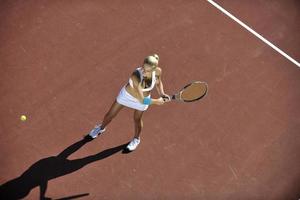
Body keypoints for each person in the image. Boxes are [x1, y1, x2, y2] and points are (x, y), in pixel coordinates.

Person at [87, 54, 171, 151]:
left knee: (137, 119)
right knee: (110, 114)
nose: (144, 70)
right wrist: (157, 101)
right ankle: (100, 128)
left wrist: (162, 94)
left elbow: (158, 82)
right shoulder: (136, 76)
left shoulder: (158, 71)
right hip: (127, 97)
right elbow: (142, 100)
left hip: (144, 99)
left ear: (154, 68)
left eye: (147, 70)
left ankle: (136, 139)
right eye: (143, 67)